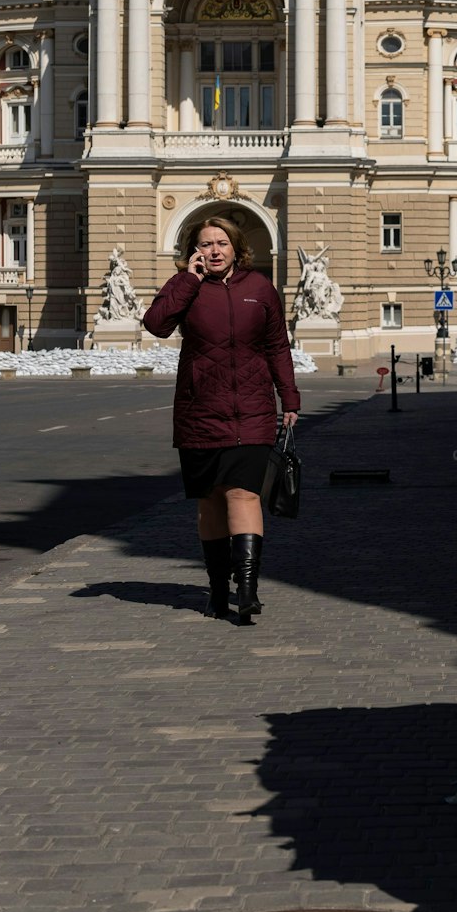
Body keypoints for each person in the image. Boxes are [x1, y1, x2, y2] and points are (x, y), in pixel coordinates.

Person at [143, 218, 300, 623]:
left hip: (252, 410)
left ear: (236, 248)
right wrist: (187, 281)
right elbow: (156, 325)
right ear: (194, 251)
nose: (213, 250)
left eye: (221, 243)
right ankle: (217, 589)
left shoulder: (259, 289)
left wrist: (290, 398)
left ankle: (247, 592)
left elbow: (277, 346)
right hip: (200, 412)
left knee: (244, 495)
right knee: (210, 501)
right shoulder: (186, 287)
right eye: (205, 244)